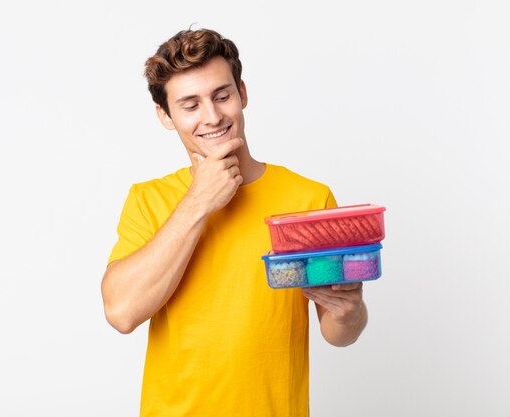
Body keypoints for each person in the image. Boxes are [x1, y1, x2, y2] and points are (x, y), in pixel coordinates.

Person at [101, 28, 368, 416]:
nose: (212, 117)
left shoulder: (309, 199)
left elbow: (337, 331)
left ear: (242, 94)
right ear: (165, 115)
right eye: (190, 105)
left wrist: (351, 312)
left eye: (222, 96)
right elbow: (122, 313)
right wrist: (198, 202)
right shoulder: (148, 200)